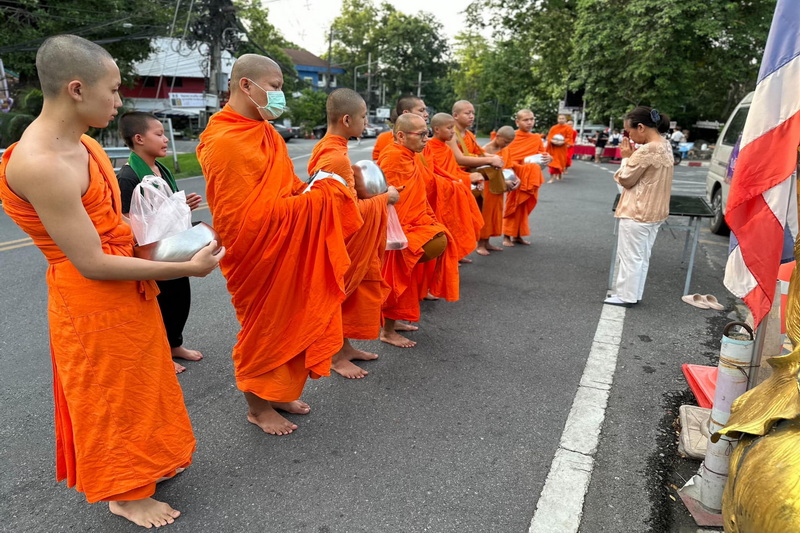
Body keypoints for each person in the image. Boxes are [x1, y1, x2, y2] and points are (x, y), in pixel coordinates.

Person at [0, 35, 223, 528]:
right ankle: (124, 491)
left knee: (141, 384)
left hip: (128, 287)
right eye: (115, 89)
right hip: (91, 301)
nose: (120, 102)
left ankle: (149, 462)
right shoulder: (42, 164)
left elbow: (115, 227)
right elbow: (93, 262)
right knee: (109, 394)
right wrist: (185, 268)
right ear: (77, 89)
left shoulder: (89, 145)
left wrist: (174, 238)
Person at [197, 54, 361, 435]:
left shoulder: (267, 133)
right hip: (256, 255)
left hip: (283, 244)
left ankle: (280, 392)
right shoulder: (225, 142)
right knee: (264, 329)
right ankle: (257, 408)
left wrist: (310, 191)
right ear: (246, 86)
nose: (279, 95)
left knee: (293, 318)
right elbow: (243, 220)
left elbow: (284, 189)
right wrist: (319, 199)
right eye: (274, 87)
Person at [308, 88, 399, 379]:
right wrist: (386, 198)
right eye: (363, 116)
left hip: (353, 241)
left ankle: (344, 347)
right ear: (347, 119)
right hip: (343, 242)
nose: (366, 121)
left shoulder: (335, 150)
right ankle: (334, 356)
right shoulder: (335, 158)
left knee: (350, 297)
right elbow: (347, 213)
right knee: (337, 297)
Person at [116, 111, 204, 374]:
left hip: (172, 246)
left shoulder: (160, 169)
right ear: (139, 139)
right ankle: (161, 353)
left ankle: (174, 344)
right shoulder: (129, 176)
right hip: (152, 252)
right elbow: (123, 217)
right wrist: (162, 218)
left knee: (181, 298)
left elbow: (163, 209)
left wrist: (180, 207)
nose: (166, 139)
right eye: (159, 134)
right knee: (161, 303)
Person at [378, 113, 459, 348]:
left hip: (415, 222)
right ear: (401, 136)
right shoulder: (393, 157)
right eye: (422, 134)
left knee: (407, 278)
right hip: (399, 231)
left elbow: (419, 191)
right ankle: (388, 331)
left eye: (427, 133)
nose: (426, 138)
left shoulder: (411, 155)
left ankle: (393, 323)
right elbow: (392, 199)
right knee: (396, 280)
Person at [605, 106, 674, 307]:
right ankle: (633, 294)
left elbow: (625, 179)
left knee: (630, 256)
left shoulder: (646, 150)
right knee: (642, 256)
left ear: (641, 127)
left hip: (637, 210)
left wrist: (626, 157)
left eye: (630, 131)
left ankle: (626, 296)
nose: (630, 136)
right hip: (656, 211)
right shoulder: (665, 145)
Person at [447, 100, 505, 256]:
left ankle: (460, 253)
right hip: (456, 179)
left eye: (473, 113)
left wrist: (494, 157)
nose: (472, 116)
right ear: (455, 115)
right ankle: (454, 255)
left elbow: (479, 153)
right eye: (467, 113)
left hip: (472, 179)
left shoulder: (470, 135)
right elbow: (459, 159)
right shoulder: (450, 133)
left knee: (468, 218)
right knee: (457, 220)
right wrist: (489, 160)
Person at [426, 112, 484, 262]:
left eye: (453, 128)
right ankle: (447, 257)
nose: (453, 131)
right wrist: (462, 180)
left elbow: (455, 171)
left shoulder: (446, 148)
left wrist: (469, 178)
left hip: (454, 191)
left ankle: (456, 254)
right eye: (449, 128)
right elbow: (435, 174)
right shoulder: (430, 148)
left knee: (457, 225)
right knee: (446, 226)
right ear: (437, 129)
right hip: (441, 194)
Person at [502, 110, 552, 246]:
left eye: (531, 119)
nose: (529, 122)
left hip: (530, 176)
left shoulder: (536, 138)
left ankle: (517, 235)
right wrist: (511, 172)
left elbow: (542, 156)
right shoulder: (511, 137)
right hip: (515, 175)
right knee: (513, 205)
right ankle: (506, 236)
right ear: (517, 122)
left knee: (524, 207)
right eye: (525, 120)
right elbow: (504, 156)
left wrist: (549, 158)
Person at [545, 114, 573, 182]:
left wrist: (562, 142)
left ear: (565, 120)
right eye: (559, 118)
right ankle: (551, 178)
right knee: (552, 163)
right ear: (557, 119)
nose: (561, 120)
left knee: (560, 163)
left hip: (562, 148)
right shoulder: (554, 128)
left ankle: (560, 173)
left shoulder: (568, 128)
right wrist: (552, 141)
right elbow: (549, 137)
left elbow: (569, 138)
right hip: (553, 148)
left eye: (563, 118)